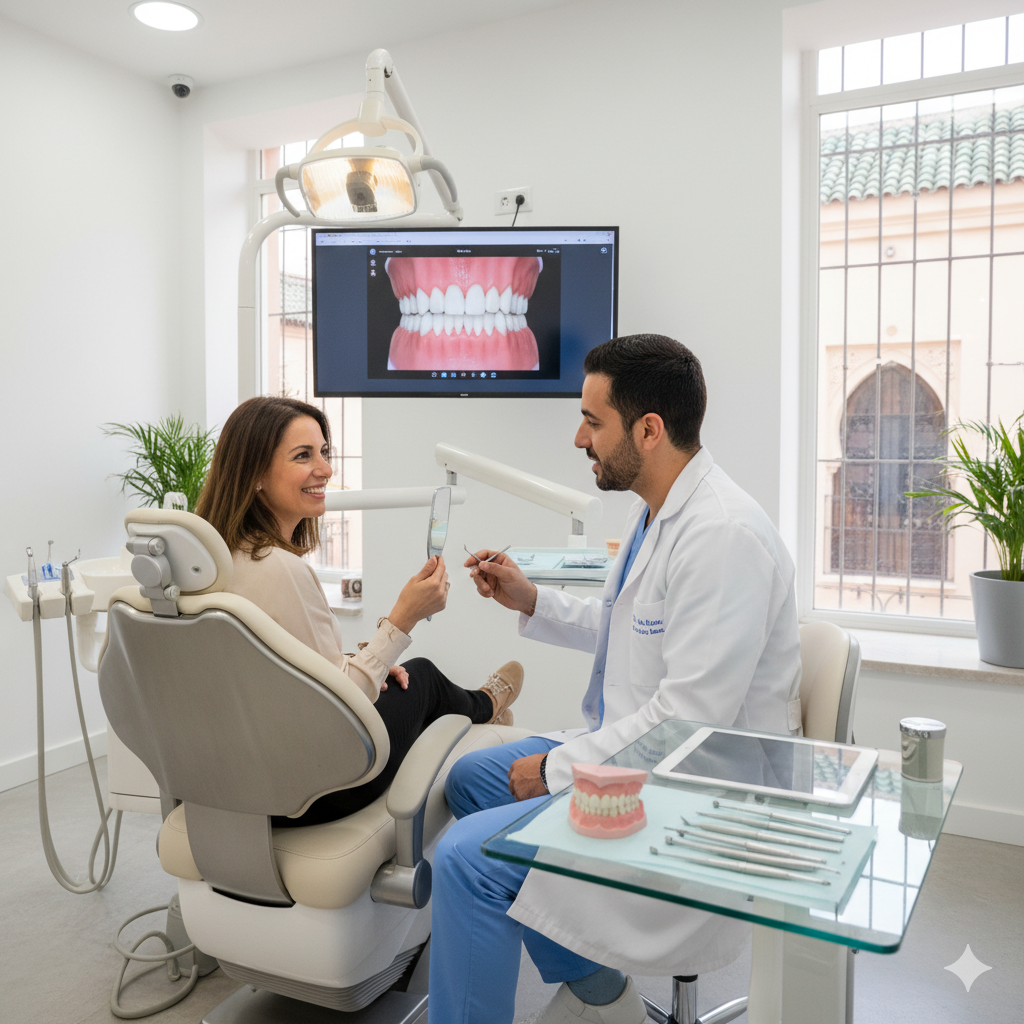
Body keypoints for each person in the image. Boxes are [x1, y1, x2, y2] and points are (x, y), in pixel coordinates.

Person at [428, 335, 802, 1023]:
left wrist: (557, 768)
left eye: (592, 421)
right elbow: (630, 631)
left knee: (464, 859)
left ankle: (583, 982)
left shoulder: (722, 537)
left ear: (649, 430)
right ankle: (602, 996)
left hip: (697, 799)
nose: (579, 437)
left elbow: (688, 723)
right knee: (468, 779)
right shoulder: (653, 510)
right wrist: (531, 599)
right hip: (637, 754)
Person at [194, 395, 523, 826]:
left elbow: (279, 668)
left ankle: (482, 702)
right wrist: (403, 617)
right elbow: (338, 707)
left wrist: (357, 661)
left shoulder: (213, 560)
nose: (326, 469)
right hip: (317, 790)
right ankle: (487, 703)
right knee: (420, 676)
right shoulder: (278, 569)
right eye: (303, 456)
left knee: (393, 676)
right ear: (255, 473)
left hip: (230, 779)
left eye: (324, 452)